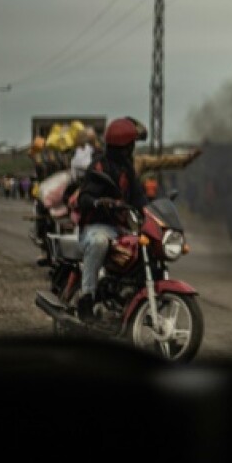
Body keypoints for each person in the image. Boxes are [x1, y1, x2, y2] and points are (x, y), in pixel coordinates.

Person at [72, 116, 150, 322]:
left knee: (145, 246)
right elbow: (84, 197)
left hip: (120, 228)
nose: (133, 148)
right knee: (99, 242)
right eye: (131, 144)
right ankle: (87, 297)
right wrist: (100, 202)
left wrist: (153, 214)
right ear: (124, 146)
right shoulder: (99, 167)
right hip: (95, 227)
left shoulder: (127, 169)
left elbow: (139, 198)